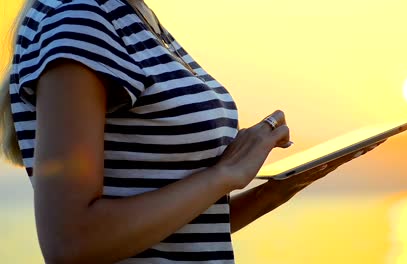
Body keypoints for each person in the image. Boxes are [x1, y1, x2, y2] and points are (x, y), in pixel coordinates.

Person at [0, 0, 378, 263]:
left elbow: (169, 236)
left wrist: (276, 191)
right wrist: (223, 175)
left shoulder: (131, 14)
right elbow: (72, 243)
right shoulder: (80, 19)